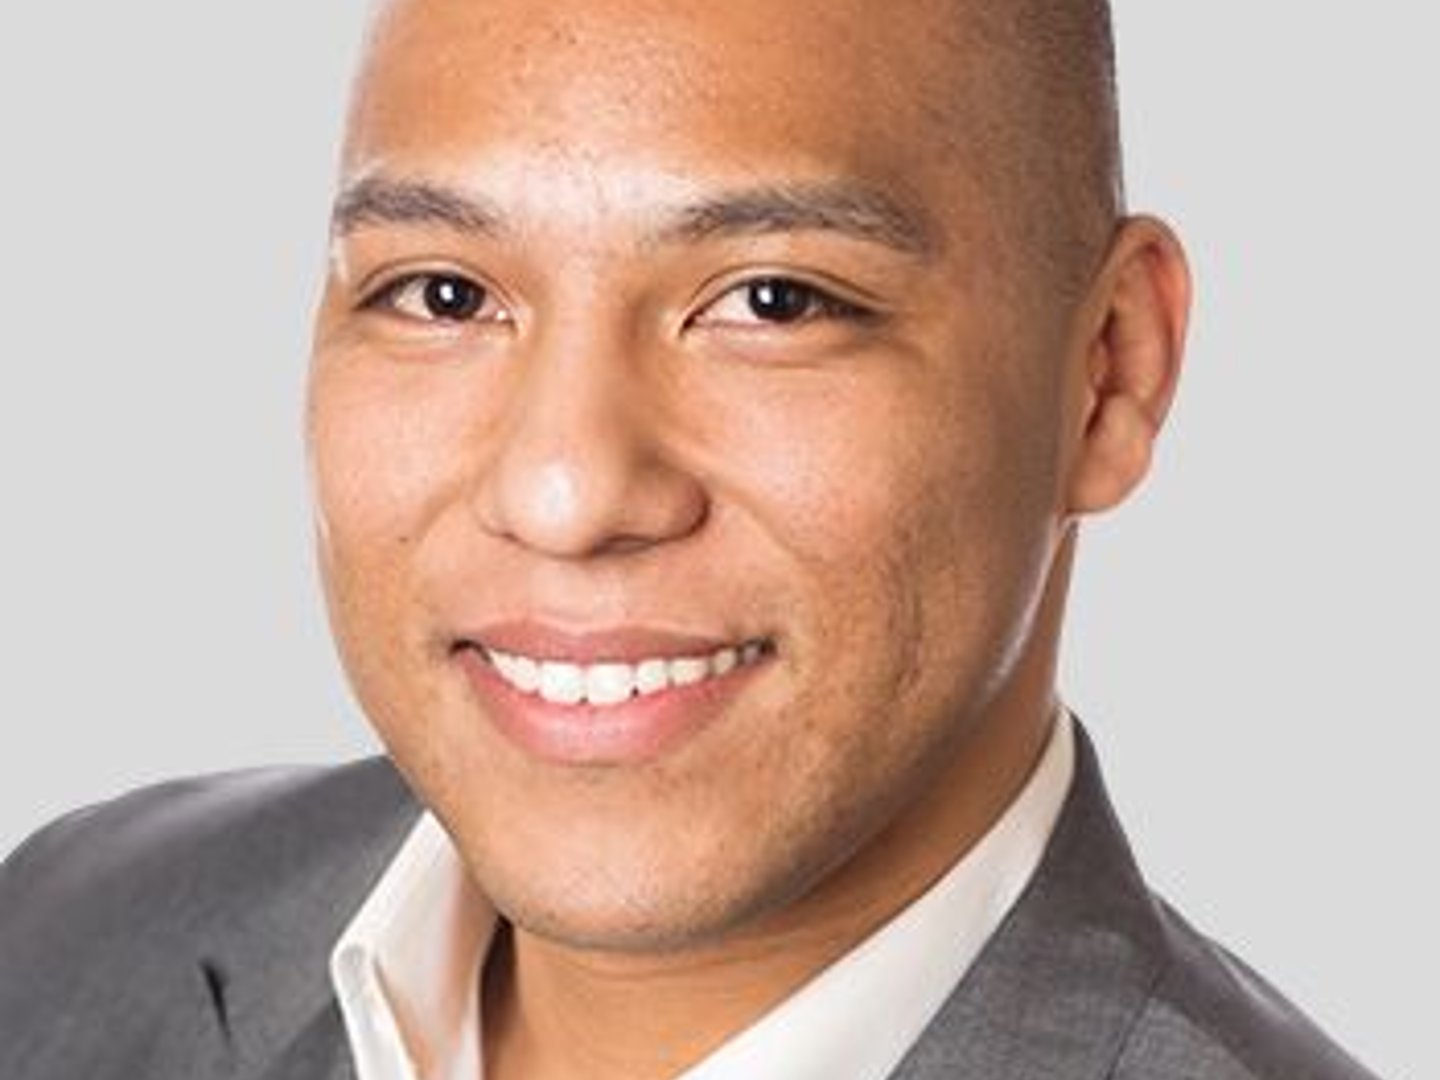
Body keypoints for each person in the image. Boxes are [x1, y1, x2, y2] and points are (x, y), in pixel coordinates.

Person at [0, 0, 1383, 1077]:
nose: (567, 492)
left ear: (1109, 372)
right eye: (444, 293)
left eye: (775, 301)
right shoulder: (68, 932)